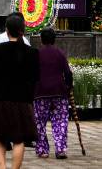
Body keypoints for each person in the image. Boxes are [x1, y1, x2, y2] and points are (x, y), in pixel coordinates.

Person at [0, 13, 39, 169]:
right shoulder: (32, 52)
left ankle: (2, 167)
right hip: (23, 100)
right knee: (19, 139)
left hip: (1, 99)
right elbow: (35, 77)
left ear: (6, 30)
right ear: (22, 30)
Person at [33, 27, 73, 160]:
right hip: (59, 92)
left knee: (39, 122)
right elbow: (67, 73)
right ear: (54, 39)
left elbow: (32, 75)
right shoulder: (60, 53)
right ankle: (60, 149)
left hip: (41, 93)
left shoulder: (36, 54)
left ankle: (43, 150)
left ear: (41, 39)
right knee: (61, 121)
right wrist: (68, 87)